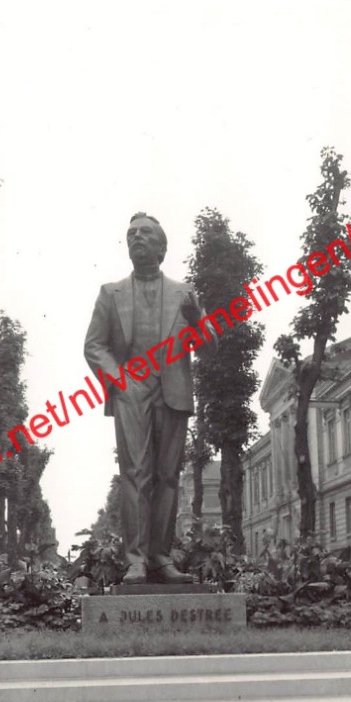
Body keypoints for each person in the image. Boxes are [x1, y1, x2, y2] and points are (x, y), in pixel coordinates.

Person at [84, 213, 214, 587]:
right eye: (131, 234)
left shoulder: (184, 293)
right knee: (135, 475)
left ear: (161, 246)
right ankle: (136, 561)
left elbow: (208, 349)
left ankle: (160, 557)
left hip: (172, 391)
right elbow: (94, 345)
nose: (136, 238)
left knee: (168, 477)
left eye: (145, 233)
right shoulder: (111, 293)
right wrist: (120, 380)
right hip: (131, 391)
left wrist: (198, 320)